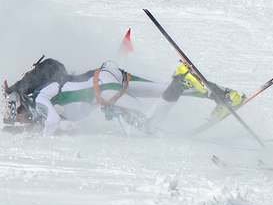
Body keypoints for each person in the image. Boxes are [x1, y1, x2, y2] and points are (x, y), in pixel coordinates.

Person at [3, 57, 243, 136]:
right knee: (162, 88)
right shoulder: (51, 90)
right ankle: (226, 96)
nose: (24, 123)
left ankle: (180, 82)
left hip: (104, 89)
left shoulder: (41, 100)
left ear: (22, 107)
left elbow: (53, 122)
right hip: (107, 75)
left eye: (19, 118)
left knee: (150, 126)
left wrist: (42, 139)